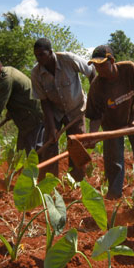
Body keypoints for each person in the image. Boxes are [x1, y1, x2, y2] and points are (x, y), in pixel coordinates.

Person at [85, 45, 134, 200]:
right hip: (111, 126)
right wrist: (93, 135)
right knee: (113, 161)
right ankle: (114, 194)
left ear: (112, 60)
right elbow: (95, 116)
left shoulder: (129, 70)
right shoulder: (97, 86)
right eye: (96, 66)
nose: (99, 69)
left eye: (102, 65)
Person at [31, 38, 96, 181]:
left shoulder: (68, 60)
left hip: (76, 109)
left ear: (50, 52)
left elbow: (91, 72)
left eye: (42, 54)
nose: (39, 59)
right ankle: (48, 181)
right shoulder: (36, 73)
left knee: (76, 145)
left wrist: (93, 99)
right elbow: (45, 102)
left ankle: (78, 181)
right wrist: (52, 127)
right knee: (50, 144)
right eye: (36, 55)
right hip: (55, 112)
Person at [0, 56, 44, 156]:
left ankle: (37, 170)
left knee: (30, 151)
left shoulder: (7, 78)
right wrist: (10, 111)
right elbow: (17, 94)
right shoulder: (9, 70)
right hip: (27, 116)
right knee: (22, 151)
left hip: (32, 117)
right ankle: (24, 170)